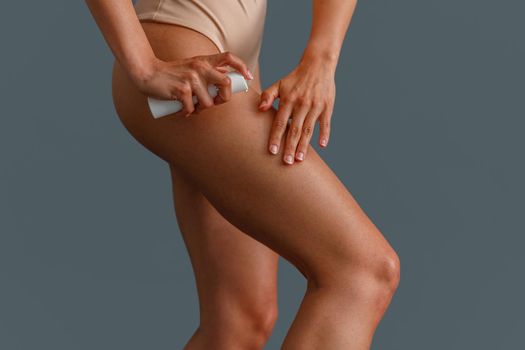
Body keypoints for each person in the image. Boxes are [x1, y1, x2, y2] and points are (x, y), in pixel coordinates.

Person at [85, 0, 401, 349]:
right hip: (179, 42)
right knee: (361, 272)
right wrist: (143, 66)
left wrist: (321, 59)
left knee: (239, 323)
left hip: (231, 57)